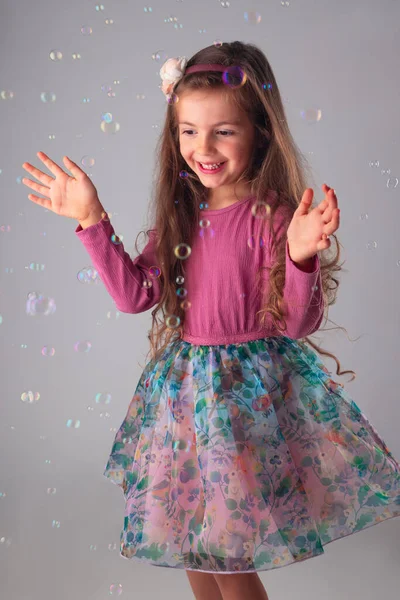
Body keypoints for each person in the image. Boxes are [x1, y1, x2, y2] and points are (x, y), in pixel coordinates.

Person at [21, 41, 400, 600]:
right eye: (189, 131)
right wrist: (91, 221)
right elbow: (134, 296)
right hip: (185, 401)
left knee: (229, 557)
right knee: (193, 546)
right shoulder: (180, 218)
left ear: (259, 131)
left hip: (242, 404)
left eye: (223, 130)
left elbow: (297, 323)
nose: (204, 147)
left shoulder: (272, 217)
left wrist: (299, 256)